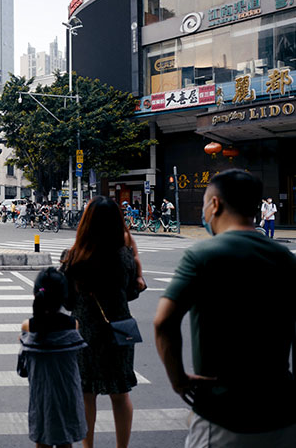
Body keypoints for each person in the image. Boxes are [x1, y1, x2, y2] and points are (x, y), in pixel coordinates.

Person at [154, 170, 296, 447]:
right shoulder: (285, 258)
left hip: (222, 416)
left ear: (215, 204)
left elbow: (163, 322)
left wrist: (179, 379)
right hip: (282, 415)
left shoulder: (202, 255)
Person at [62, 196, 146, 448]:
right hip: (118, 330)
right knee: (120, 394)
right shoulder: (124, 256)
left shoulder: (74, 257)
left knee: (87, 394)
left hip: (84, 332)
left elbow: (67, 301)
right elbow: (131, 291)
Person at [19, 267, 87, 448]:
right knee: (66, 442)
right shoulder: (73, 325)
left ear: (36, 294)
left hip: (42, 395)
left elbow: (22, 363)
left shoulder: (29, 327)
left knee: (42, 441)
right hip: (68, 394)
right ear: (63, 297)